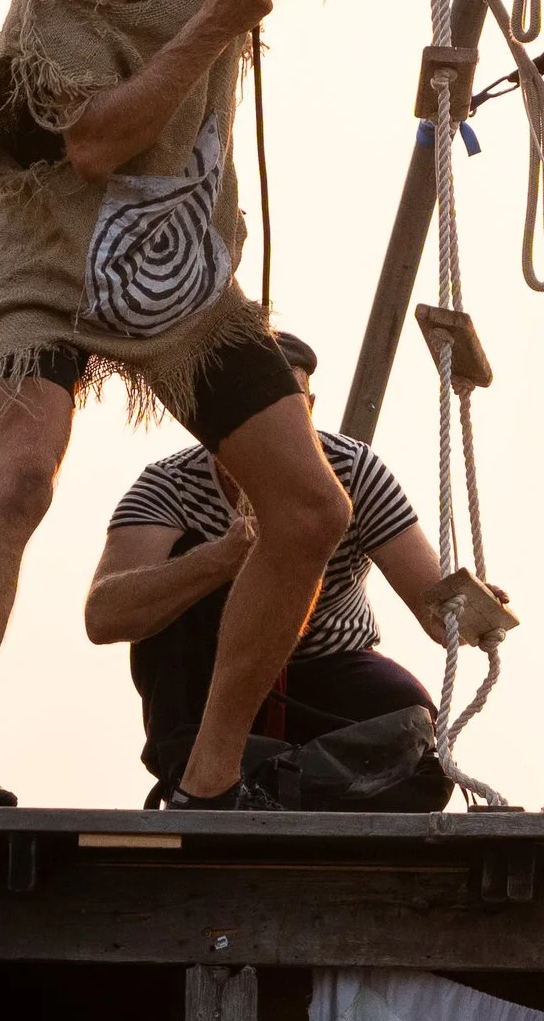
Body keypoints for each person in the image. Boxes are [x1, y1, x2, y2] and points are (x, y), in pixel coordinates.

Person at [0, 0, 419, 808]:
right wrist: (212, 22)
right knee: (23, 475)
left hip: (179, 276)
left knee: (312, 513)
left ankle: (211, 776)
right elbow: (94, 143)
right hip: (55, 257)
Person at [84, 328, 478, 799]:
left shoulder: (354, 470)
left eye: (289, 415)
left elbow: (436, 609)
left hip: (325, 667)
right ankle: (200, 774)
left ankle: (275, 782)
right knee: (178, 562)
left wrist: (474, 609)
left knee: (413, 733)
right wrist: (214, 562)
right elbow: (104, 615)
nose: (274, 435)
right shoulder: (169, 485)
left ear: (308, 411)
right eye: (255, 414)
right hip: (211, 683)